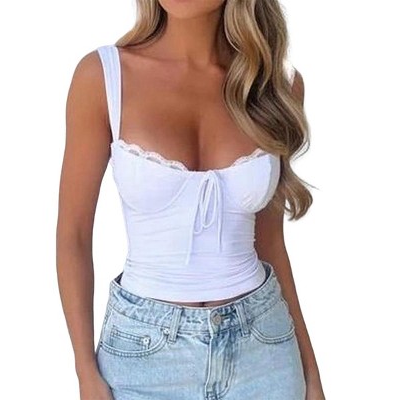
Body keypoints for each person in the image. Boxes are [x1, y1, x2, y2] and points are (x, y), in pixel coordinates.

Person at [56, 1, 325, 399]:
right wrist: (84, 371)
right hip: (142, 359)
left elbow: (270, 243)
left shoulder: (275, 86)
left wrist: (310, 373)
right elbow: (73, 236)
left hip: (264, 350)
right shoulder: (104, 77)